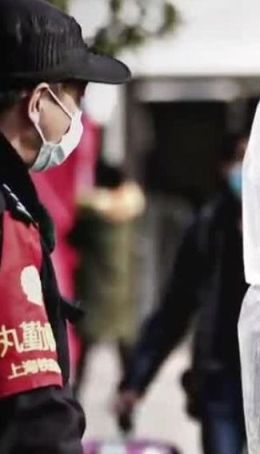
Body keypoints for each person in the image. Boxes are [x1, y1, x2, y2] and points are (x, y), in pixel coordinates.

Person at [0, 0, 130, 451]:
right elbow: (33, 404)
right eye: (74, 100)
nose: (76, 121)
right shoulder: (8, 217)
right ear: (37, 102)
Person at [113, 134, 249, 454]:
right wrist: (136, 380)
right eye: (240, 159)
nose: (246, 169)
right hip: (221, 378)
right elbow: (175, 309)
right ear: (224, 166)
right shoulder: (208, 227)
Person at [71, 162, 145, 395]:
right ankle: (128, 396)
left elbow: (73, 238)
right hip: (122, 293)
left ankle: (76, 395)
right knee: (125, 352)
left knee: (86, 351)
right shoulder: (130, 212)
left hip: (95, 293)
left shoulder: (92, 216)